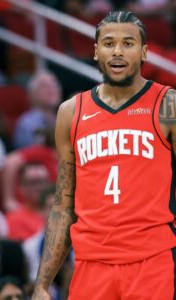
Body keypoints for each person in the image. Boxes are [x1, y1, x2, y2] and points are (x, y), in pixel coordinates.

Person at [33, 11, 176, 300]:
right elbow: (63, 204)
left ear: (144, 51)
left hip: (153, 262)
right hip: (90, 265)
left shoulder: (168, 105)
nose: (118, 51)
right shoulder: (71, 112)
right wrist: (42, 284)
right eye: (109, 43)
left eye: (128, 43)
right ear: (96, 52)